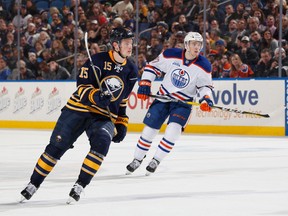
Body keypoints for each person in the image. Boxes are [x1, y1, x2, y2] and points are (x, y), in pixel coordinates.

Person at [20, 27, 138, 203]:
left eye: (131, 43)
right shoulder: (97, 60)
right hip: (78, 109)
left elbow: (122, 100)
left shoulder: (132, 71)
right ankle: (33, 184)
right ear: (116, 45)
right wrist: (97, 96)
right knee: (55, 148)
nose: (131, 46)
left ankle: (80, 185)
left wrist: (122, 121)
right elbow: (82, 88)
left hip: (103, 117)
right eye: (127, 43)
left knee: (102, 144)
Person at [126, 32, 214, 175]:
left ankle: (156, 160)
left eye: (199, 44)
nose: (197, 47)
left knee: (173, 131)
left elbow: (205, 86)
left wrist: (205, 98)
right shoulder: (170, 54)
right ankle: (137, 159)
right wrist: (146, 82)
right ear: (186, 44)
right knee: (149, 130)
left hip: (183, 103)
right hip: (163, 98)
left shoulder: (204, 65)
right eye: (194, 44)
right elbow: (152, 67)